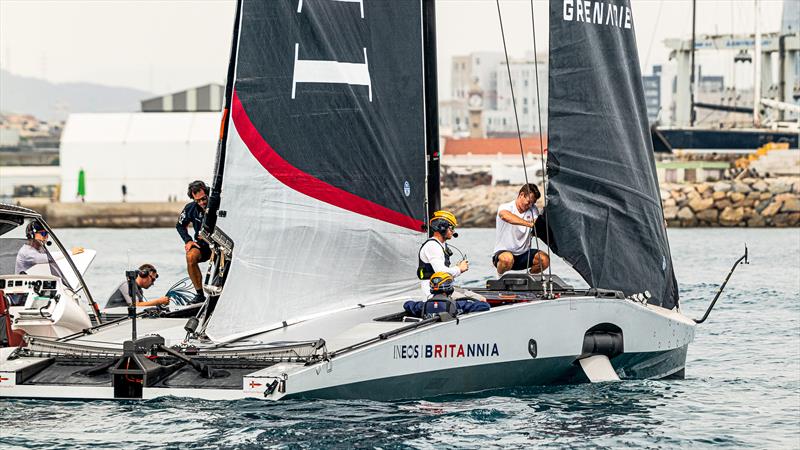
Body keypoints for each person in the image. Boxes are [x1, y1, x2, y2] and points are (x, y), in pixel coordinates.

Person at [417, 210, 485, 302]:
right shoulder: (432, 246)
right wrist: (459, 269)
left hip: (444, 290)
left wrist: (457, 268)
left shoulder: (441, 245)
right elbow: (441, 273)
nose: (453, 231)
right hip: (433, 294)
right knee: (479, 301)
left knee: (481, 298)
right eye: (451, 227)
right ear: (442, 227)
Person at [492, 183, 550, 276]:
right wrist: (529, 224)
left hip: (524, 255)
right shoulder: (506, 207)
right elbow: (505, 216)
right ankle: (499, 277)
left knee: (545, 260)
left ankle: (529, 278)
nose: (530, 205)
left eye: (533, 203)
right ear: (521, 195)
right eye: (529, 202)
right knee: (507, 259)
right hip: (503, 255)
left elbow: (536, 222)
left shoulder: (533, 210)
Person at [176, 180, 212, 304]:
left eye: (204, 198)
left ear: (207, 193)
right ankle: (199, 294)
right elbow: (180, 226)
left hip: (220, 244)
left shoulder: (218, 203)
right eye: (198, 200)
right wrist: (188, 240)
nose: (202, 202)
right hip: (202, 244)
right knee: (190, 256)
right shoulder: (190, 208)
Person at [403, 272, 490, 318]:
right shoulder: (457, 305)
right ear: (449, 287)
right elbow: (485, 306)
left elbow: (407, 304)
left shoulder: (423, 306)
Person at [15, 221, 83, 275]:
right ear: (31, 235)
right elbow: (47, 258)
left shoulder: (39, 249)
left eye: (47, 234)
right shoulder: (26, 251)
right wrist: (70, 252)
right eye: (43, 234)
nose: (46, 237)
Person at [105, 263, 170, 309]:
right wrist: (158, 301)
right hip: (109, 321)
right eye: (152, 279)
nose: (152, 283)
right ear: (143, 274)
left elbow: (142, 308)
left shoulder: (139, 290)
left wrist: (160, 304)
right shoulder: (126, 285)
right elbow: (136, 306)